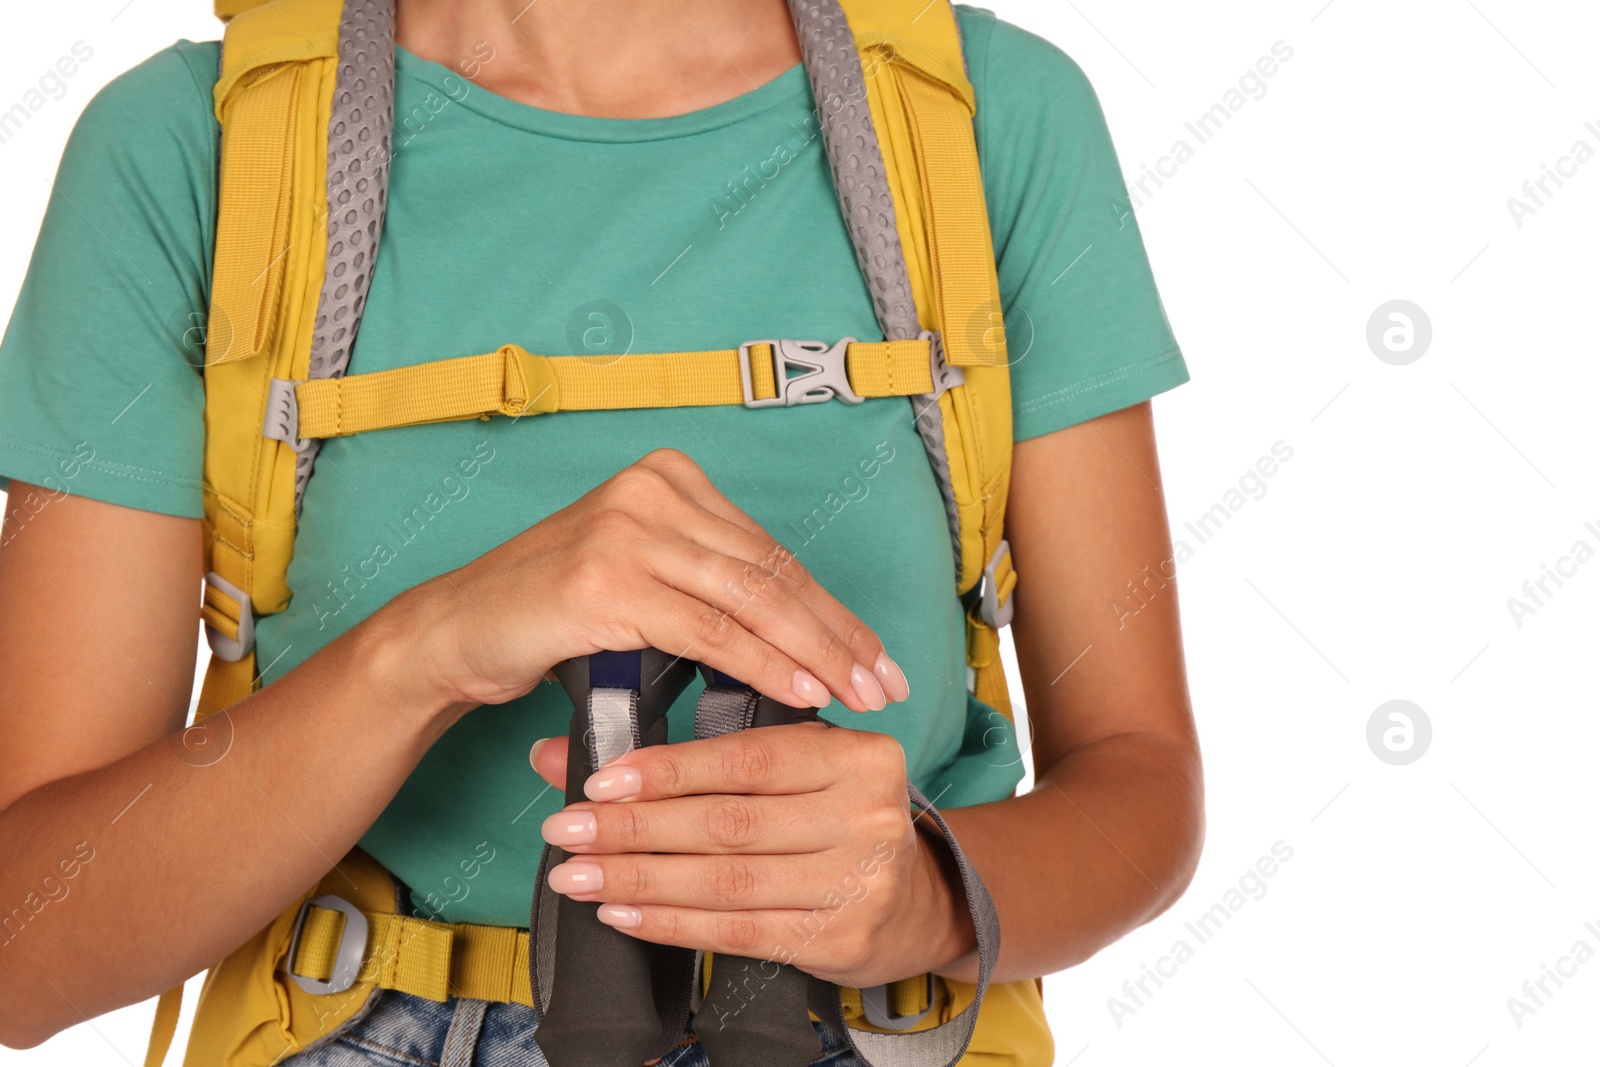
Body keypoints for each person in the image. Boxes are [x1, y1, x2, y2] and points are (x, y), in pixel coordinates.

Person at [0, 0, 1203, 1063]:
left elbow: (1141, 788)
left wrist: (924, 899)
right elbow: (28, 945)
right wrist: (427, 645)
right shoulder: (195, 147)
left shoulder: (985, 120)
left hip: (868, 1025)